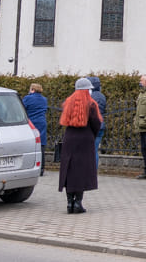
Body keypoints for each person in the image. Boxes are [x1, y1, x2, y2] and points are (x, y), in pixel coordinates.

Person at [58, 77, 102, 214]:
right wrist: (91, 135)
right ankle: (78, 203)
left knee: (69, 170)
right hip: (85, 139)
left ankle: (69, 203)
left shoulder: (68, 102)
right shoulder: (91, 104)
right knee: (81, 171)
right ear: (87, 90)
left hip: (69, 138)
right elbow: (96, 124)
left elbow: (65, 121)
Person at [22, 83, 48, 176]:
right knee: (41, 144)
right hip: (42, 122)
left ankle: (28, 167)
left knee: (29, 144)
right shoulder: (44, 99)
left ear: (32, 89)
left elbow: (22, 109)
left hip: (31, 123)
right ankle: (41, 168)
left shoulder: (28, 98)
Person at [89, 76, 106, 169]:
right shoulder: (102, 96)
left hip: (93, 125)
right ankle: (93, 171)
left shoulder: (91, 96)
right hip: (101, 124)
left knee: (90, 150)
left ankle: (90, 171)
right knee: (94, 150)